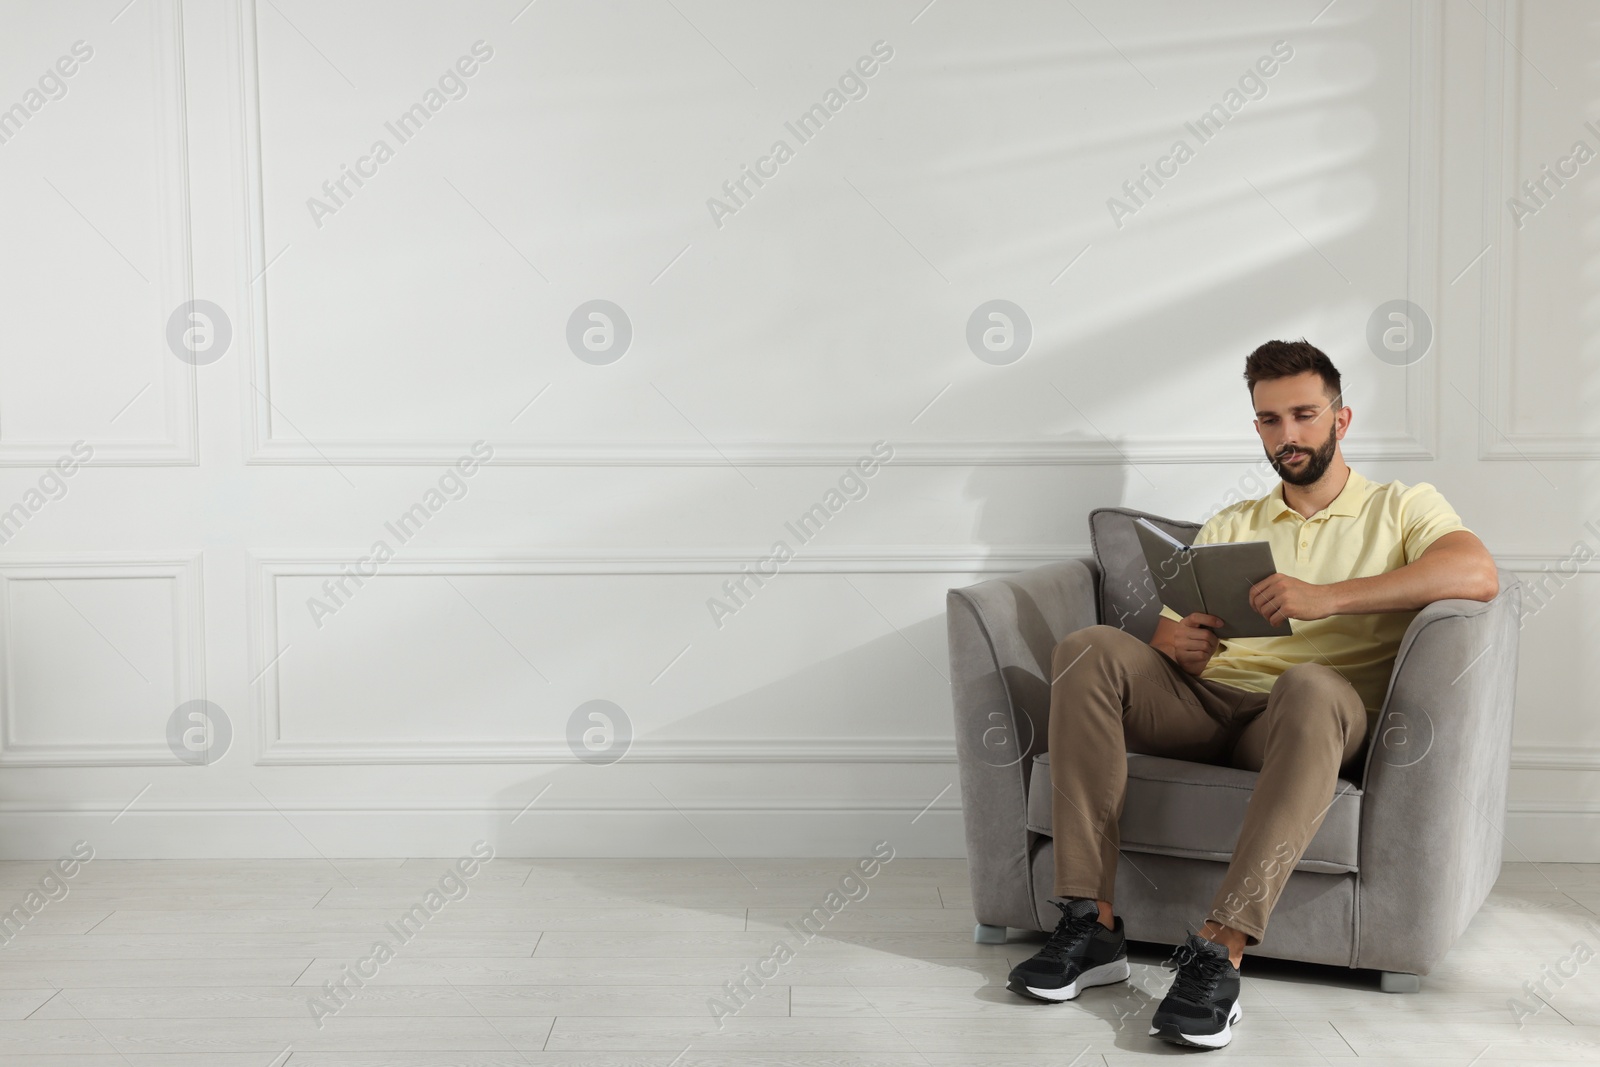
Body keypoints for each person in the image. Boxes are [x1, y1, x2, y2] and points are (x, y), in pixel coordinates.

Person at [1006, 339, 1499, 1049]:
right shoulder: (1233, 523)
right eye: (1270, 420)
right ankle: (1090, 922)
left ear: (1342, 417)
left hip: (1311, 713)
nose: (1288, 435)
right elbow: (1184, 643)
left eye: (1303, 414)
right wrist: (1172, 645)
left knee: (1308, 683)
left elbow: (1475, 571)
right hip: (1213, 705)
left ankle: (1219, 949)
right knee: (1087, 646)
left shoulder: (1401, 507)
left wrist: (1327, 598)